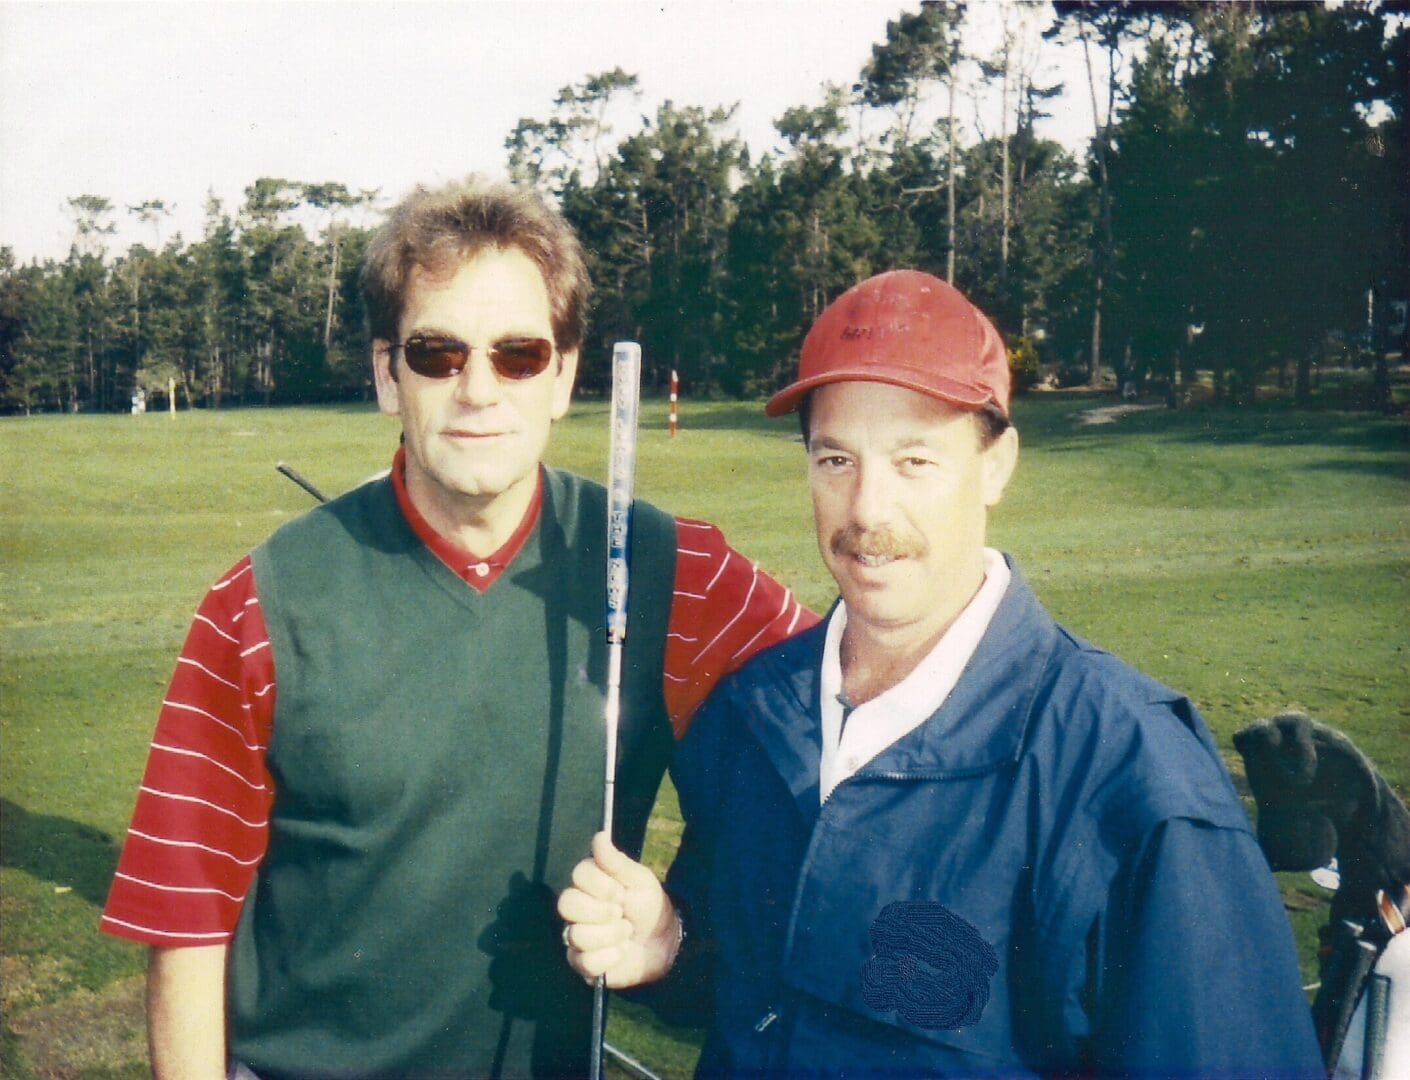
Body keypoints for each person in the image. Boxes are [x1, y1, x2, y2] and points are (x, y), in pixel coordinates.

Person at [100, 178, 813, 1079]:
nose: (478, 390)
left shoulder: (674, 570)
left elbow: (858, 706)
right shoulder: (257, 605)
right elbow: (185, 917)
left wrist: (683, 931)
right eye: (437, 354)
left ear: (562, 377)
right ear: (386, 376)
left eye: (518, 355)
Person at [558, 269, 1326, 1078]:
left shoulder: (1133, 780)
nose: (867, 511)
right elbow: (751, 992)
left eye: (914, 460)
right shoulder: (756, 714)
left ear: (997, 465)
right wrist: (672, 947)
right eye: (836, 459)